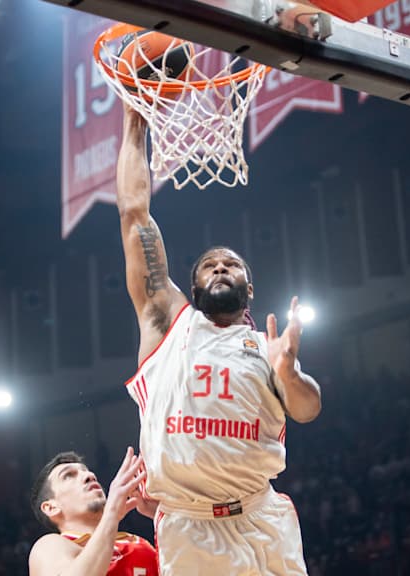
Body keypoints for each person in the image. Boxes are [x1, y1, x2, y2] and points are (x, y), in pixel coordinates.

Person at [115, 106, 322, 575]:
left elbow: (308, 410)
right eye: (210, 265)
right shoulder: (167, 321)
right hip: (191, 526)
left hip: (261, 515)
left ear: (250, 289)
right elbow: (133, 213)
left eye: (232, 265)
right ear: (193, 289)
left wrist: (289, 371)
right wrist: (135, 117)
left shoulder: (269, 348)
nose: (221, 268)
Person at [28, 447, 159, 576]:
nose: (89, 475)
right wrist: (112, 514)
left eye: (86, 471)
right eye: (68, 476)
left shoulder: (138, 542)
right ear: (51, 507)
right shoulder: (49, 546)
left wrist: (163, 517)